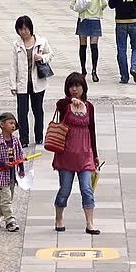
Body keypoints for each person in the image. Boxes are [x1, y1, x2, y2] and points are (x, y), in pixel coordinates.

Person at [52, 72, 100, 234]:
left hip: (85, 154)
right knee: (65, 189)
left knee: (87, 189)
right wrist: (70, 100)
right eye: (71, 86)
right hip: (66, 154)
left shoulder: (89, 107)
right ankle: (59, 218)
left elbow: (92, 130)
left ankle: (90, 223)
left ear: (83, 87)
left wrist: (95, 155)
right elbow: (58, 104)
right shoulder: (65, 105)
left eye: (77, 86)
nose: (74, 89)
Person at [9, 15, 52, 149]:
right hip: (22, 82)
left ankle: (39, 135)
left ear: (30, 28)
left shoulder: (41, 41)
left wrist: (42, 58)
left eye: (26, 29)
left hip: (37, 82)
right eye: (21, 29)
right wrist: (12, 84)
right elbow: (13, 65)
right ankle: (24, 138)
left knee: (37, 110)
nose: (24, 32)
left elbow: (50, 54)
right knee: (22, 111)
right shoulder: (16, 45)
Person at [0, 112, 25, 232]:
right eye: (11, 123)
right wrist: (3, 164)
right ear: (2, 125)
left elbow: (20, 155)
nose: (13, 126)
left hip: (12, 174)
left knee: (7, 198)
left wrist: (21, 169)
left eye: (14, 123)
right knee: (6, 198)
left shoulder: (15, 140)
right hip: (1, 175)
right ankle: (10, 221)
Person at [71, 0, 108, 82]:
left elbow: (72, 4)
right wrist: (99, 9)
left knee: (82, 46)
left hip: (83, 19)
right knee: (94, 46)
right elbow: (105, 2)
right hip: (95, 20)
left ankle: (83, 70)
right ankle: (94, 70)